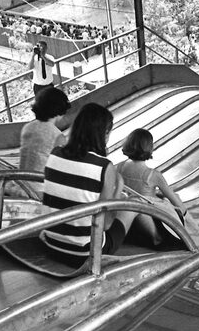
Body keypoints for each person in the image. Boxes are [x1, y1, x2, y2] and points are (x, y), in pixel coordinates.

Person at [41, 103, 137, 263]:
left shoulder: (55, 153)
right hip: (84, 253)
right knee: (132, 208)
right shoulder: (104, 166)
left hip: (51, 244)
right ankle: (157, 241)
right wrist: (118, 188)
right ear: (104, 133)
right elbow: (105, 224)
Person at [118, 128, 199, 245]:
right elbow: (176, 202)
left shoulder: (118, 167)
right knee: (175, 197)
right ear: (149, 147)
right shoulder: (153, 175)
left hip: (127, 221)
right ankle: (190, 232)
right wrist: (194, 227)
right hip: (152, 225)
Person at [14, 87, 71, 198]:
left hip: (22, 184)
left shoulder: (27, 127)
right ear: (60, 110)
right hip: (40, 190)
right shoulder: (57, 136)